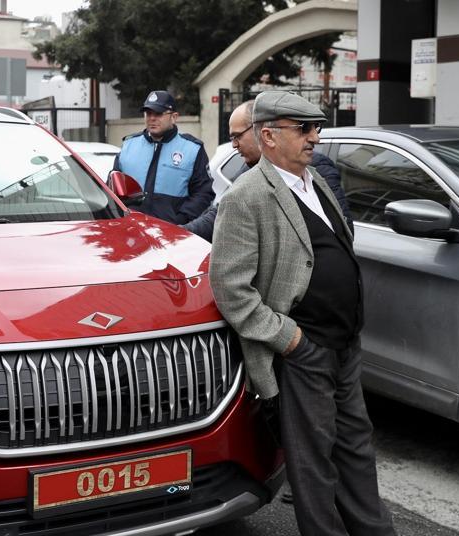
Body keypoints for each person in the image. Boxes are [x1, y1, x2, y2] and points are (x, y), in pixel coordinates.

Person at [209, 91, 396, 536]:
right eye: (304, 128)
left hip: (344, 345)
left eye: (316, 128)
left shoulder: (318, 181)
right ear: (269, 136)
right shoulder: (247, 197)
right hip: (303, 352)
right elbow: (231, 289)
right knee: (313, 466)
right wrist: (289, 340)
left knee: (355, 450)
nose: (315, 136)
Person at [183, 99, 352, 242]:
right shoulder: (248, 172)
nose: (234, 145)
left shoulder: (315, 171)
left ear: (261, 131)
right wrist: (178, 234)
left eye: (237, 136)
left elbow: (342, 230)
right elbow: (219, 217)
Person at [113, 90, 214, 224]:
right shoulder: (128, 145)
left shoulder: (192, 149)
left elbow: (203, 193)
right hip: (131, 230)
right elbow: (113, 187)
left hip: (173, 235)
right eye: (148, 113)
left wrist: (181, 220)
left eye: (158, 113)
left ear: (174, 117)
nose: (152, 118)